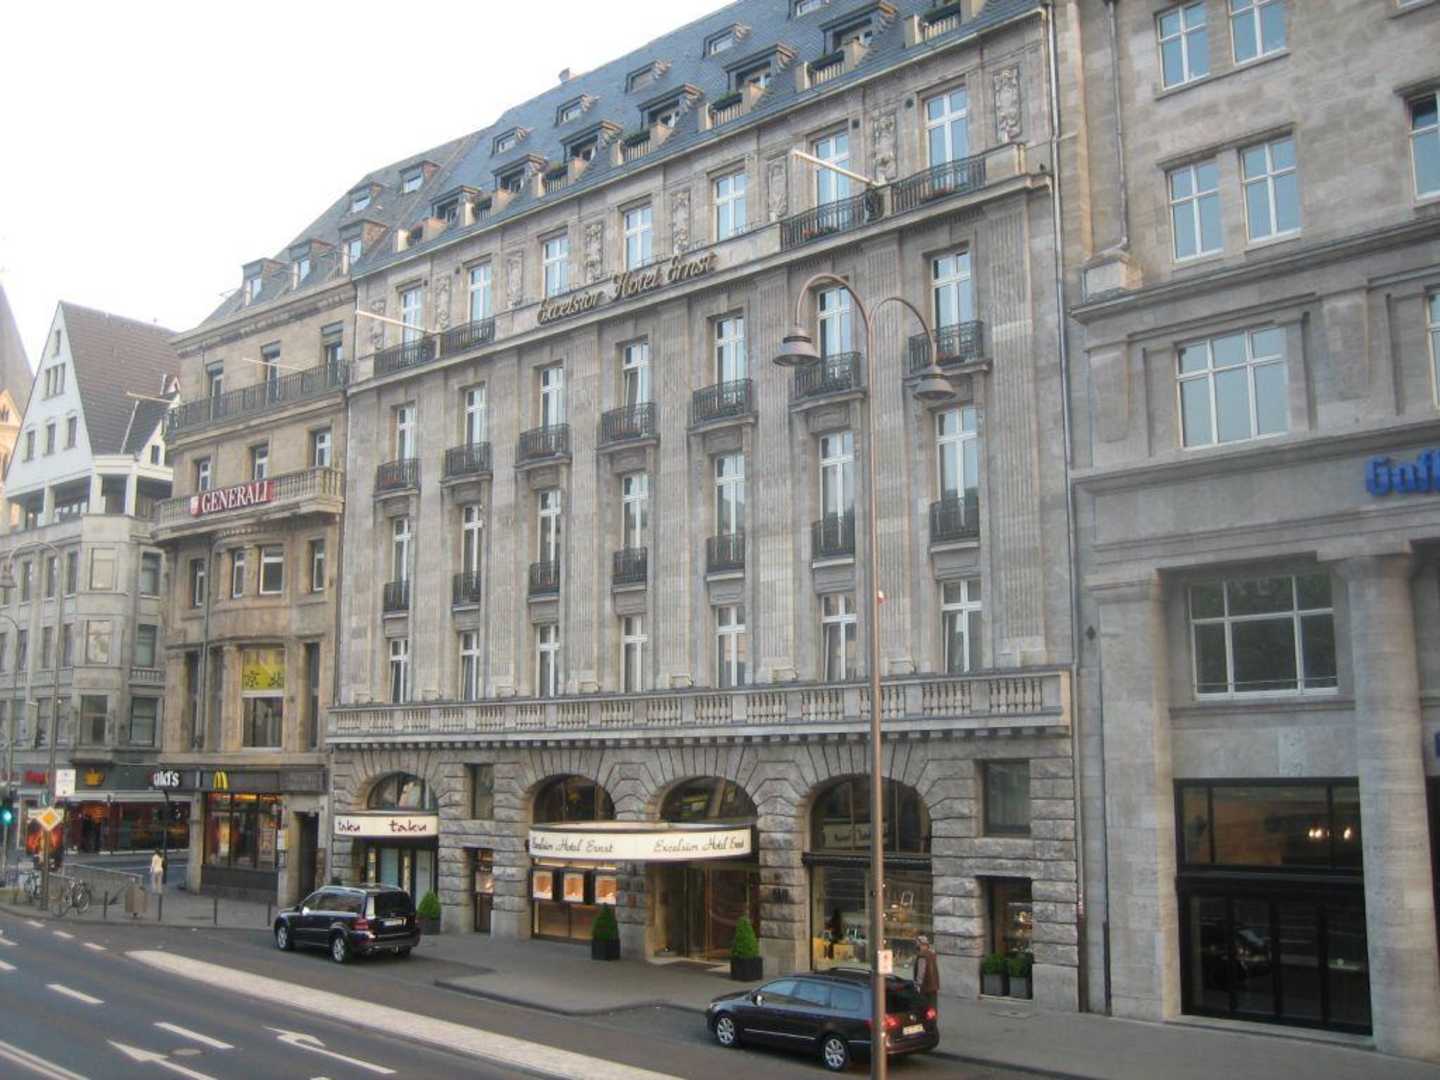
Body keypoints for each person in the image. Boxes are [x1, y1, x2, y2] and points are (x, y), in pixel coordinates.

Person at [914, 934, 941, 1012]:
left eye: (918, 944)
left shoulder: (922, 955)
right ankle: (933, 1019)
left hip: (925, 987)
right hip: (933, 986)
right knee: (932, 1008)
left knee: (924, 1009)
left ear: (922, 945)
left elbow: (921, 973)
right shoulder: (931, 954)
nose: (917, 946)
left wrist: (918, 986)